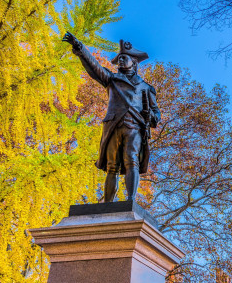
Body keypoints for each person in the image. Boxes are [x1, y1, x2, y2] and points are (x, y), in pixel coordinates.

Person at [62, 32, 161, 202]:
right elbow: (95, 68)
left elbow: (156, 115)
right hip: (113, 126)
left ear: (134, 62)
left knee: (132, 160)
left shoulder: (146, 88)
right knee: (112, 165)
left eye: (124, 58)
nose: (120, 60)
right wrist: (79, 47)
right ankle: (107, 204)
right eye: (119, 58)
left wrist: (150, 115)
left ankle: (130, 200)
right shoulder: (112, 79)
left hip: (135, 127)